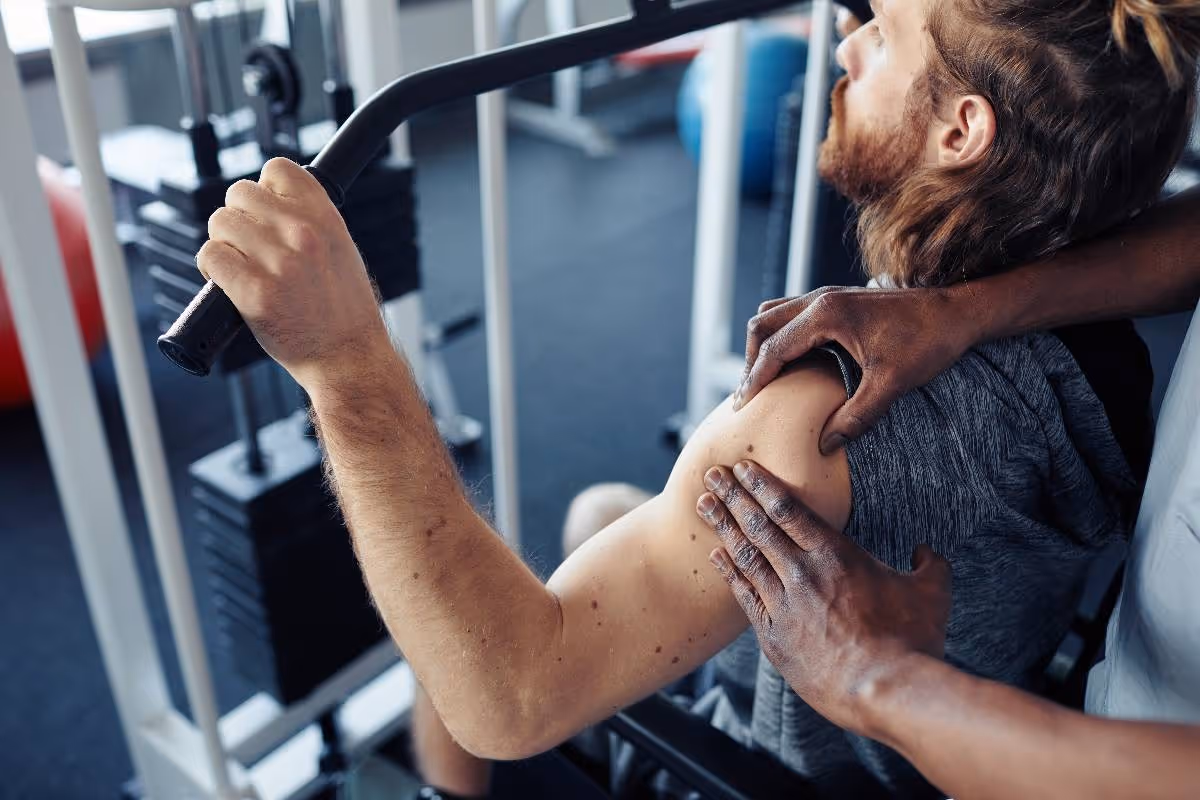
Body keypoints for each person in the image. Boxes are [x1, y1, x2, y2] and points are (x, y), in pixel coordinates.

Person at [193, 0, 1199, 794]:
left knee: (442, 634)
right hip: (953, 721)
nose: (845, 45)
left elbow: (508, 694)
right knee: (597, 512)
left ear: (961, 128)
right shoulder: (1133, 329)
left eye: (884, 33)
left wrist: (344, 359)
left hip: (757, 772)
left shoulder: (820, 419)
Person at [694, 191, 1200, 796]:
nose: (843, 88)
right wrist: (963, 310)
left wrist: (875, 679)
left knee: (594, 513)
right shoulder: (1086, 398)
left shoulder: (804, 431)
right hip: (1102, 694)